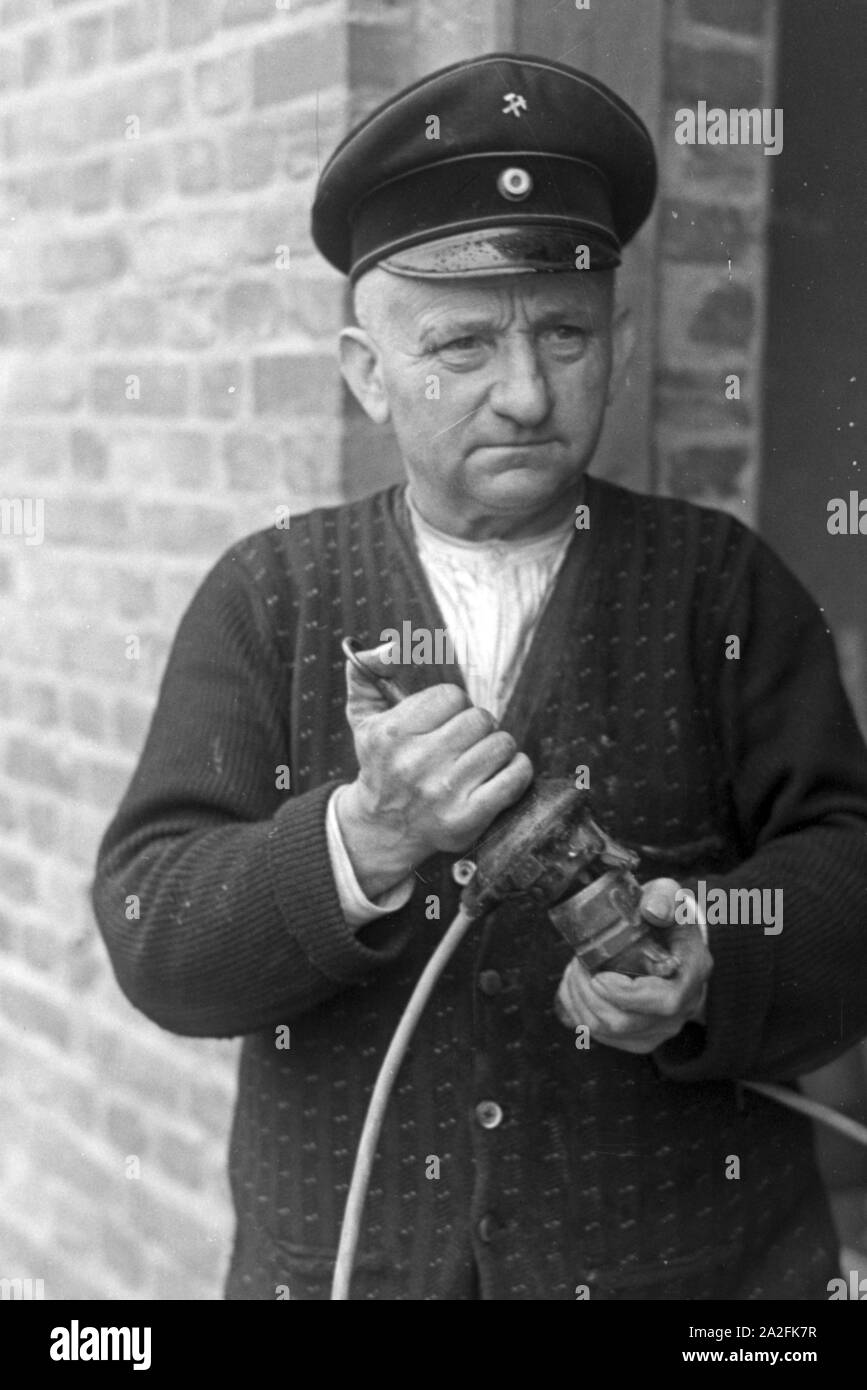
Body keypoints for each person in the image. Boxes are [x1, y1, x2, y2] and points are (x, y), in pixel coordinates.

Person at [92, 53, 867, 1301]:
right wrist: (361, 838)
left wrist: (718, 954)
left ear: (613, 342)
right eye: (460, 343)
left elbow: (850, 862)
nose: (523, 393)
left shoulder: (722, 585)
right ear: (366, 370)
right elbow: (152, 932)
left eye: (562, 333)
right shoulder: (268, 595)